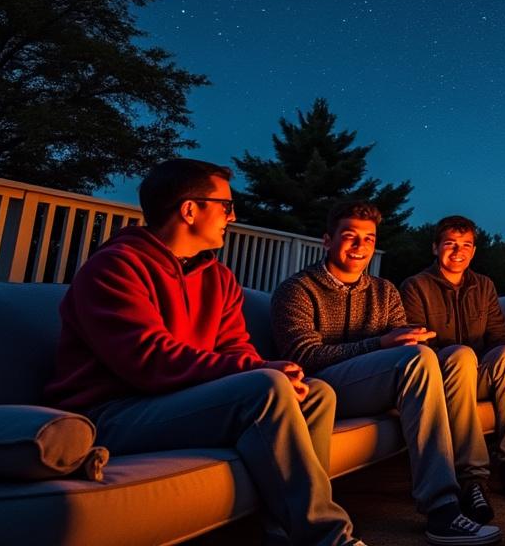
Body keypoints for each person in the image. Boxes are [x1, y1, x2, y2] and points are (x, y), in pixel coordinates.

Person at [44, 159, 361, 546]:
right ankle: (328, 538)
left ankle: (283, 534)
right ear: (189, 209)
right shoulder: (114, 267)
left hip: (176, 402)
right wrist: (258, 370)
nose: (233, 215)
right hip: (113, 413)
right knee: (263, 387)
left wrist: (264, 368)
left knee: (315, 394)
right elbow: (149, 360)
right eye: (225, 206)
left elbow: (234, 347)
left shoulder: (219, 277)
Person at [271, 202, 501, 545]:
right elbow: (304, 357)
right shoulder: (297, 290)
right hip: (322, 388)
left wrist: (407, 339)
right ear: (327, 241)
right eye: (350, 237)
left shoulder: (384, 291)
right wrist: (380, 342)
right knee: (413, 360)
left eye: (368, 238)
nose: (360, 246)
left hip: (371, 385)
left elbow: (400, 346)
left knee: (421, 356)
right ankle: (442, 508)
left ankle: (448, 503)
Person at [400, 215, 505, 505]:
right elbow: (417, 347)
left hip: (475, 372)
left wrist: (491, 362)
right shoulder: (416, 286)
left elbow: (499, 337)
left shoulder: (483, 286)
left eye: (466, 245)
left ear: (473, 250)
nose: (458, 252)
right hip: (440, 376)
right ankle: (472, 477)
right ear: (435, 248)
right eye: (450, 244)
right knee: (461, 355)